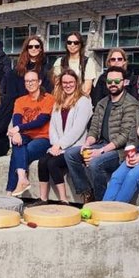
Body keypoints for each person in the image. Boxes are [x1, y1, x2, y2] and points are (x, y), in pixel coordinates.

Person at [64, 66, 139, 202]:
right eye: (110, 81)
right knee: (70, 154)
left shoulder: (131, 104)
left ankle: (101, 202)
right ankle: (87, 192)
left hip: (119, 151)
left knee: (95, 163)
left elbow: (124, 136)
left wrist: (100, 151)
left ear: (124, 82)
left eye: (117, 81)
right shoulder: (102, 103)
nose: (113, 84)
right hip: (101, 145)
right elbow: (94, 129)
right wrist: (87, 143)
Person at [34, 70, 91, 205]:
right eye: (64, 82)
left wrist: (60, 145)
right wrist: (55, 145)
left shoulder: (84, 101)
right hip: (58, 146)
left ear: (76, 83)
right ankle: (43, 198)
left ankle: (63, 199)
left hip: (75, 147)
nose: (67, 85)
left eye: (70, 82)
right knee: (42, 162)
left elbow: (78, 129)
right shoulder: (58, 101)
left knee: (52, 163)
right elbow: (53, 126)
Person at [7, 70, 54, 196]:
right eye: (27, 81)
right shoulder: (20, 101)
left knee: (20, 153)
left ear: (39, 82)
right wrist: (16, 133)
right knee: (17, 143)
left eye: (32, 80)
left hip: (44, 138)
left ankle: (9, 191)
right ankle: (22, 179)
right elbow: (16, 120)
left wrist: (18, 129)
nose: (30, 83)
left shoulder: (48, 99)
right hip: (26, 136)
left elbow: (41, 121)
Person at [5, 36, 53, 100]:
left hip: (40, 103)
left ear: (40, 48)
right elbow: (12, 91)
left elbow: (48, 90)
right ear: (27, 49)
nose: (33, 49)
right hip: (20, 104)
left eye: (37, 46)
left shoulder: (47, 68)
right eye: (30, 46)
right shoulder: (17, 68)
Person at [52, 32, 99, 96]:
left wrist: (73, 99)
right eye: (69, 42)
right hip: (63, 99)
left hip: (82, 100)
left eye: (76, 43)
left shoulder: (88, 62)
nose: (72, 45)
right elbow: (57, 86)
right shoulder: (59, 61)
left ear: (80, 45)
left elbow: (87, 89)